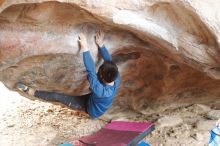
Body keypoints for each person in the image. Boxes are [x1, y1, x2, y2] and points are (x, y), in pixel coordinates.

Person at [15, 30, 120, 119]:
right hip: (96, 98)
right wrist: (101, 45)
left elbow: (91, 70)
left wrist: (85, 47)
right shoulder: (115, 76)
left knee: (58, 96)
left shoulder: (99, 89)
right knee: (91, 82)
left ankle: (32, 92)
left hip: (91, 109)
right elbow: (109, 61)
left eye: (99, 72)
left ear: (101, 76)